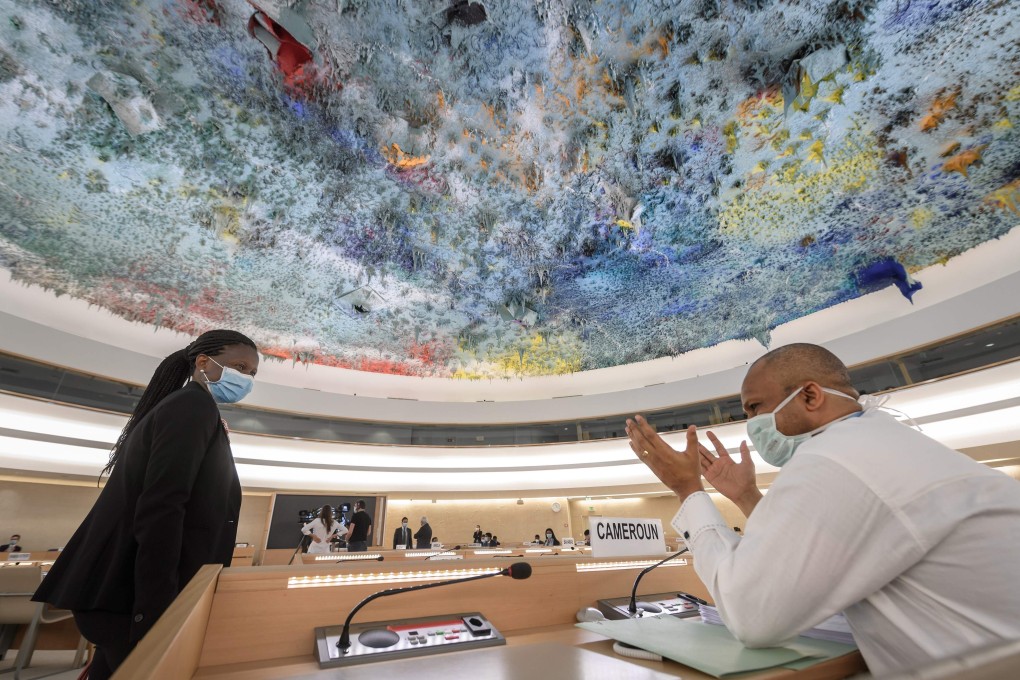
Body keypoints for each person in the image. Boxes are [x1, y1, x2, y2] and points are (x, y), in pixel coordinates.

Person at [626, 343, 1020, 676]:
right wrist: (746, 497)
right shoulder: (877, 442)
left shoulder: (833, 459)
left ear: (810, 396)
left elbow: (753, 617)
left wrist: (688, 489)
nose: (750, 424)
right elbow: (810, 554)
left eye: (754, 409)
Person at [32, 330, 258, 680]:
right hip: (134, 595)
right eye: (239, 366)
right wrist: (155, 607)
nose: (245, 378)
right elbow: (162, 507)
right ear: (202, 362)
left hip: (126, 592)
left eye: (252, 373)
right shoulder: (192, 406)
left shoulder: (191, 408)